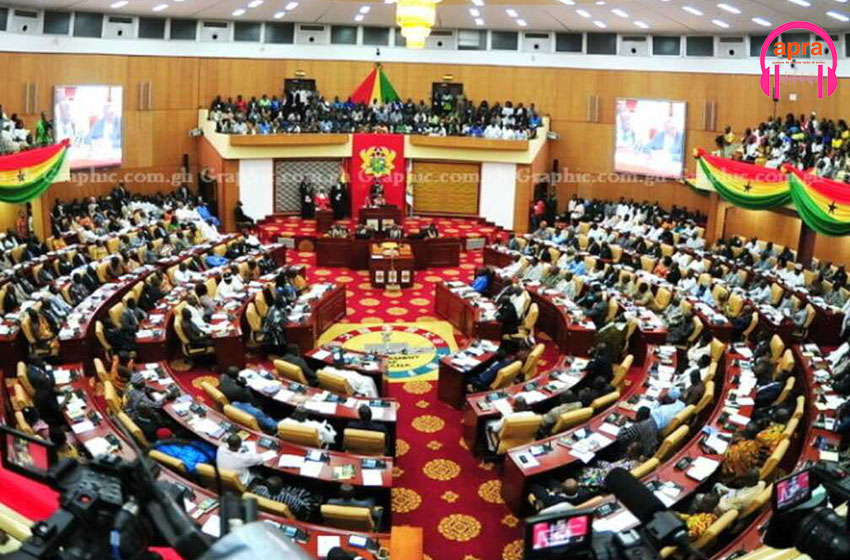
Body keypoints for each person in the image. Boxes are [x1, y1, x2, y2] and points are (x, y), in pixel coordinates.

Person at [250, 475, 320, 521]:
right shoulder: (289, 498)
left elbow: (254, 489)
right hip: (289, 516)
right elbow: (300, 509)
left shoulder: (260, 489)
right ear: (282, 488)